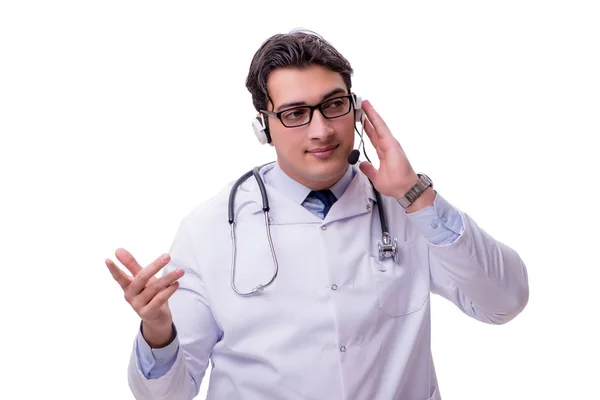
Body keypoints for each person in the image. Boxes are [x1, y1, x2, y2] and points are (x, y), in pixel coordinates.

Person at [105, 29, 529, 400]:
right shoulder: (212, 230)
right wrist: (158, 331)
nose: (321, 130)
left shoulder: (408, 210)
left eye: (333, 105)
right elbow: (168, 392)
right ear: (264, 128)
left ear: (356, 109)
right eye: (294, 114)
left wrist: (415, 194)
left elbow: (504, 302)